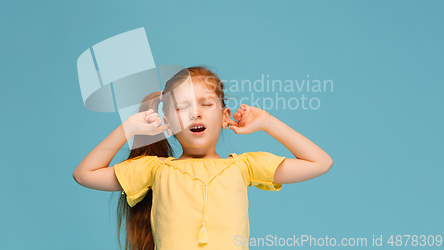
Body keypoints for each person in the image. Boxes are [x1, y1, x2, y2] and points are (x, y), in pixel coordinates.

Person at [73, 66, 333, 250]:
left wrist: (267, 122)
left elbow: (320, 163)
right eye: (182, 107)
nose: (195, 113)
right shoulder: (155, 169)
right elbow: (84, 174)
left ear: (224, 116)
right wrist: (128, 128)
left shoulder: (244, 166)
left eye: (206, 104)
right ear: (168, 122)